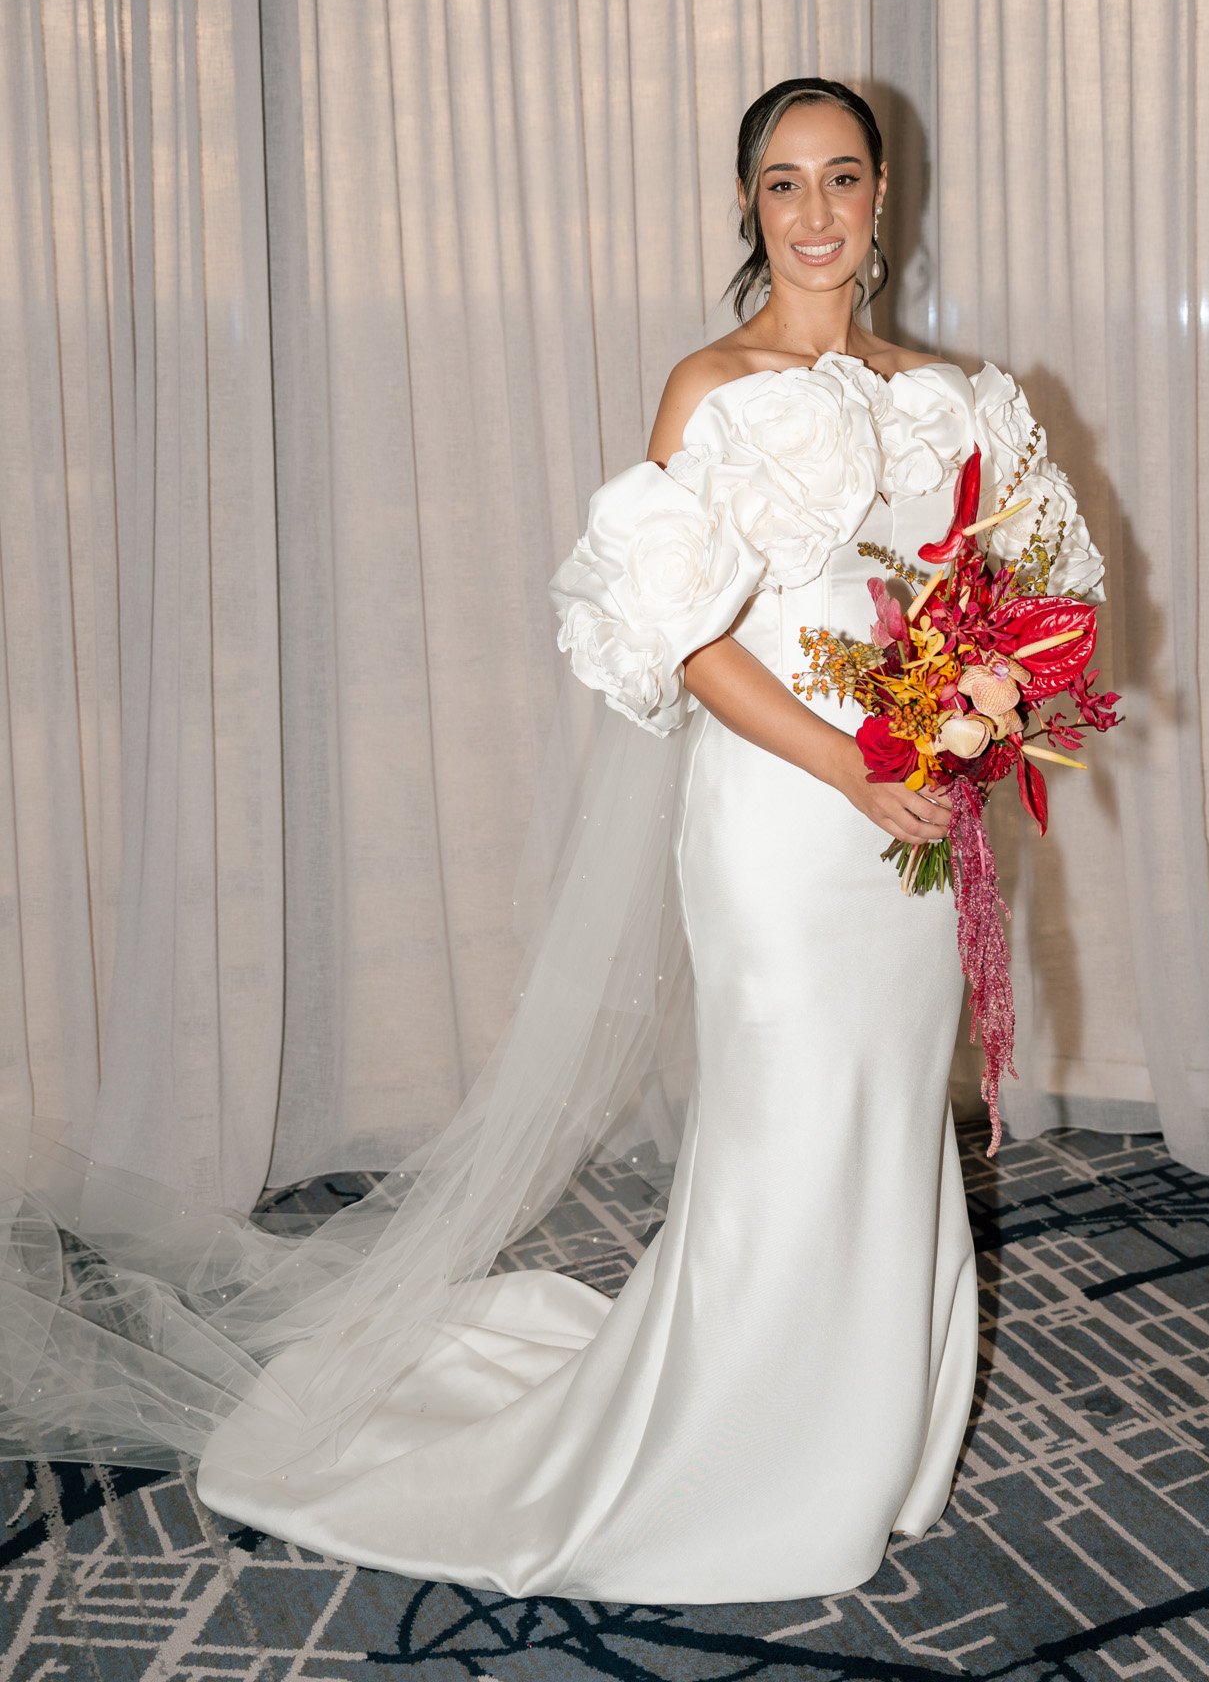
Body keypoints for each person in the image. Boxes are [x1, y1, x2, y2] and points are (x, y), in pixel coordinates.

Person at [1, 77, 1104, 1605]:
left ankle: (872, 1433)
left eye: (842, 178)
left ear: (883, 202)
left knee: (887, 1113)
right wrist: (857, 765)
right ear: (745, 209)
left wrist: (980, 709)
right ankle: (739, 1454)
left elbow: (1031, 595)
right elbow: (683, 640)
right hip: (787, 819)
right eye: (782, 184)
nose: (816, 212)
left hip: (909, 821)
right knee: (787, 1117)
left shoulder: (954, 394)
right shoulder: (706, 388)